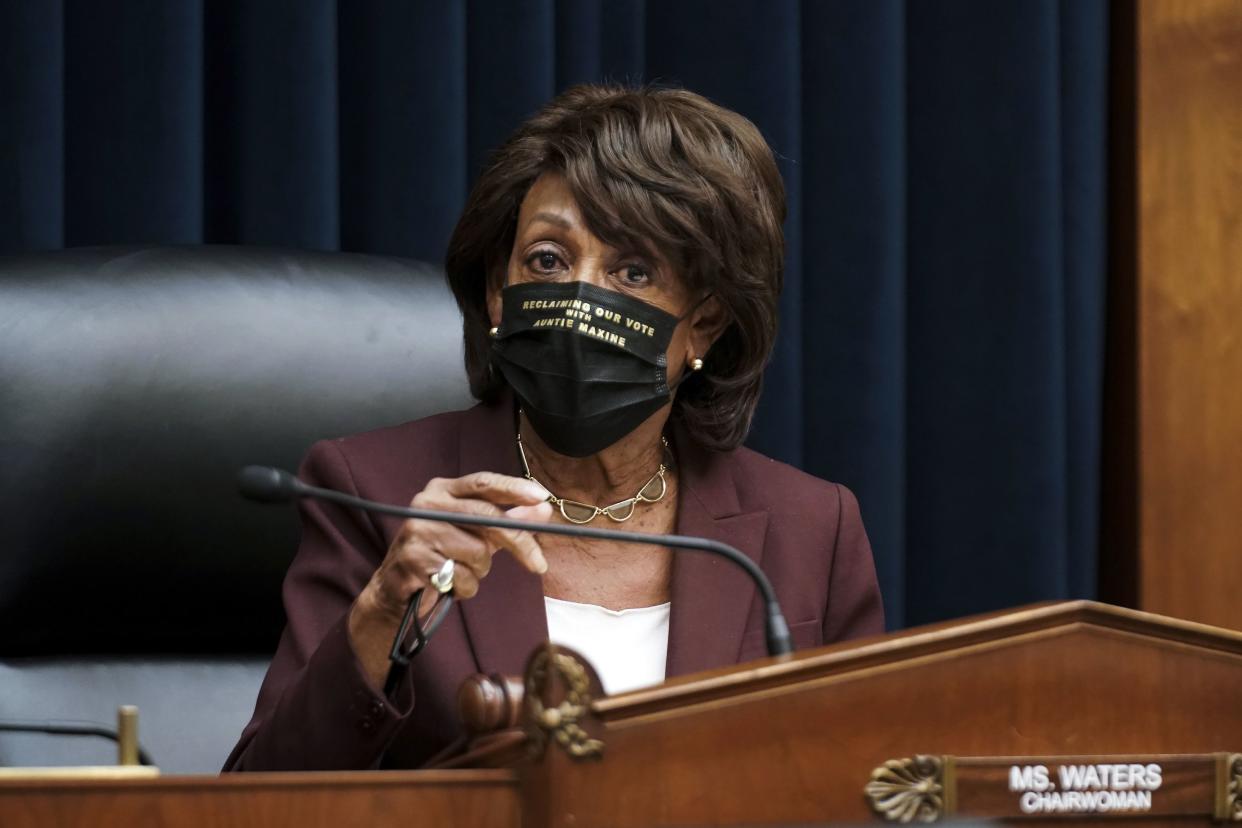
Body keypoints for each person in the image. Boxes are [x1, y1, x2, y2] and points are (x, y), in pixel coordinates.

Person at [224, 84, 883, 772]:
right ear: (496, 291)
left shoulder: (811, 530)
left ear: (706, 324)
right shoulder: (373, 495)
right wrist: (384, 610)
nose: (579, 298)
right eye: (548, 260)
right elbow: (258, 797)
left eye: (632, 270)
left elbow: (872, 789)